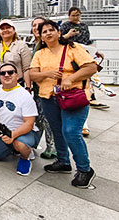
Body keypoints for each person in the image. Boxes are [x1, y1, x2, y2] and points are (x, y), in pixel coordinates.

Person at [29, 20, 97, 188]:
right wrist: (47, 73)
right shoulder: (40, 54)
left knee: (71, 131)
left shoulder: (73, 48)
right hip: (48, 97)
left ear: (59, 32)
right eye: (44, 31)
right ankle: (63, 161)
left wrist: (71, 78)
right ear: (41, 36)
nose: (48, 33)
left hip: (73, 96)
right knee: (57, 130)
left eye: (51, 30)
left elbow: (91, 67)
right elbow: (33, 75)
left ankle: (84, 169)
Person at [0, 63, 39, 176]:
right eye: (3, 73)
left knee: (19, 143)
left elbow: (29, 123)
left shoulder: (25, 96)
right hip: (4, 132)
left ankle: (26, 156)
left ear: (17, 75)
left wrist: (13, 134)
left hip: (25, 132)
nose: (6, 75)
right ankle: (14, 148)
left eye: (10, 72)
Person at [29, 16, 56, 159]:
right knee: (39, 118)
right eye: (34, 25)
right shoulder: (37, 44)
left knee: (49, 119)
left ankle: (52, 148)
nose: (36, 28)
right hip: (37, 89)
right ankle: (34, 144)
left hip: (49, 89)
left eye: (39, 25)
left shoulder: (48, 45)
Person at [0, 20, 32, 87]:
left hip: (15, 84)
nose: (5, 30)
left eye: (8, 28)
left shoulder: (21, 45)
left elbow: (26, 68)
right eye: (2, 29)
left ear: (13, 30)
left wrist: (28, 87)